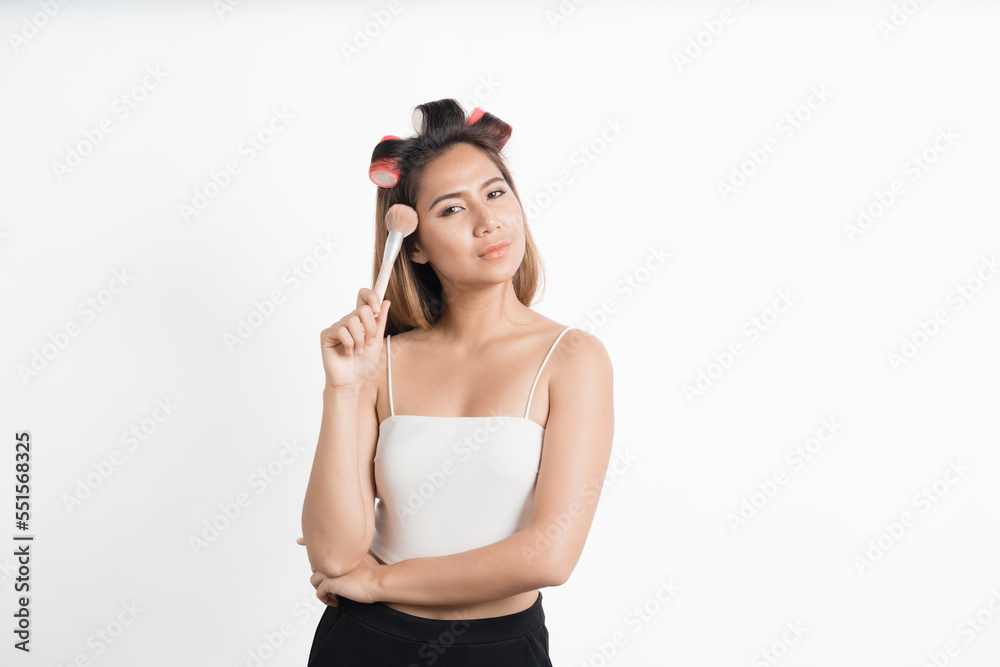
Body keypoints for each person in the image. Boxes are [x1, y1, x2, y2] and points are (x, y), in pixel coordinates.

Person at [299, 98, 615, 666]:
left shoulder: (573, 359)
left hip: (499, 649)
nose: (487, 220)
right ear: (413, 244)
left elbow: (550, 556)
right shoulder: (380, 361)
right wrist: (343, 389)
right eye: (451, 209)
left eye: (495, 193)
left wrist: (381, 584)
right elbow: (333, 552)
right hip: (363, 644)